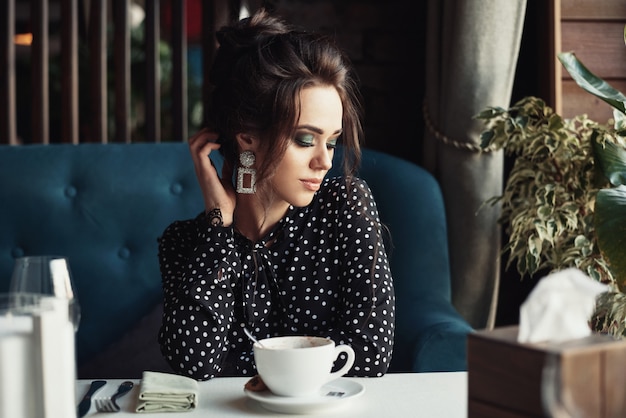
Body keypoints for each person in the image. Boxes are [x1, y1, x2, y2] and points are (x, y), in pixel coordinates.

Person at [158, 9, 395, 381]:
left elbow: (370, 353)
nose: (324, 161)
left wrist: (245, 367)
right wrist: (219, 224)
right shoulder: (187, 243)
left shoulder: (345, 206)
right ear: (247, 139)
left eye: (332, 142)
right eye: (305, 140)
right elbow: (195, 364)